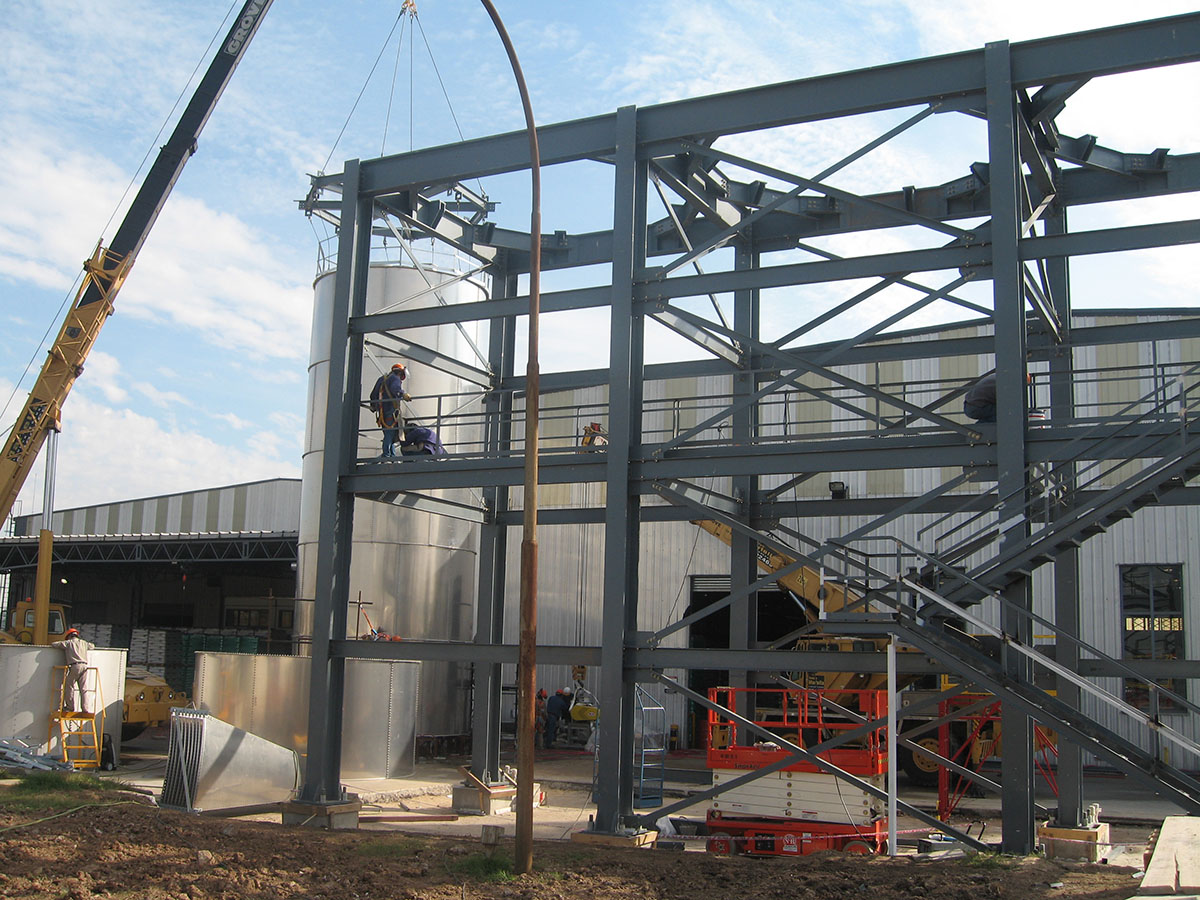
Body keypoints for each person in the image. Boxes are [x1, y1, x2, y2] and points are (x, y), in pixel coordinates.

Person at [369, 363, 412, 458]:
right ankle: (387, 455)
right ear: (400, 373)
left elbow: (373, 394)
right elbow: (395, 388)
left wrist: (373, 405)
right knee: (390, 433)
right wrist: (403, 394)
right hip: (390, 411)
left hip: (382, 412)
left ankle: (392, 455)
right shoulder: (395, 378)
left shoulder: (382, 379)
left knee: (389, 434)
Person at [51, 627, 95, 714]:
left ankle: (70, 707)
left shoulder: (68, 643)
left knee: (69, 685)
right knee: (83, 688)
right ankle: (85, 709)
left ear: (69, 636)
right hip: (85, 666)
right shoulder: (84, 643)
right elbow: (92, 646)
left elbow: (55, 644)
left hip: (75, 666)